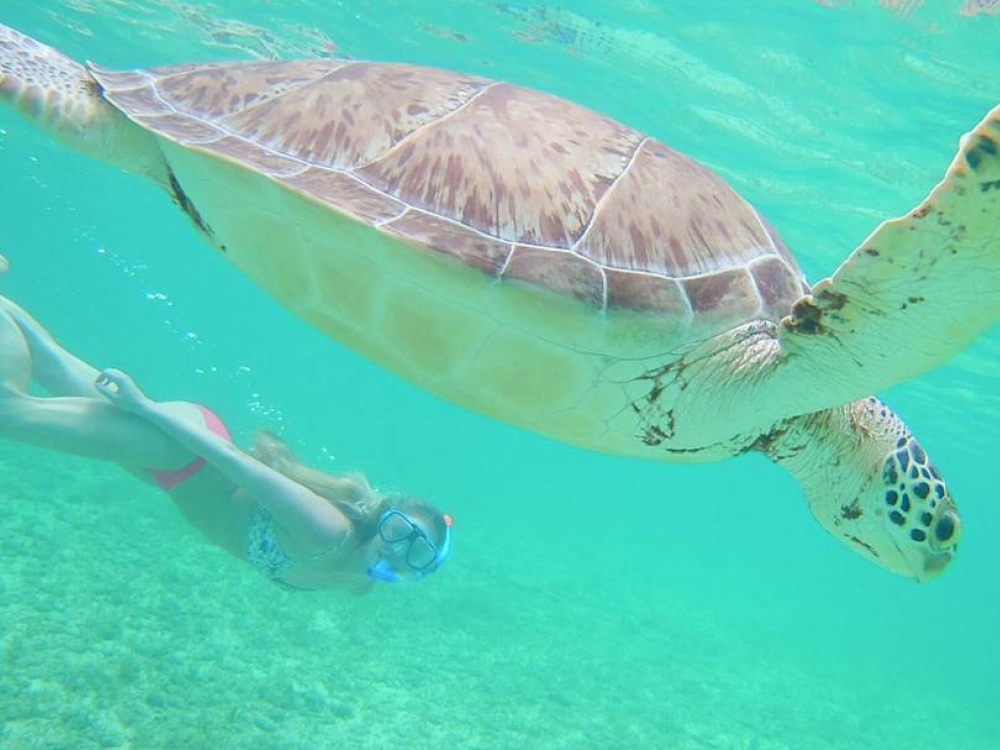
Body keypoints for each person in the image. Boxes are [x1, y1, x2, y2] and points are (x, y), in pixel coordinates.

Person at [0, 255, 452, 593]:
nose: (396, 548)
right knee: (11, 414)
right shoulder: (328, 533)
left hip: (171, 469)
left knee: (50, 359)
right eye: (398, 531)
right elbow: (241, 466)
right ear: (381, 520)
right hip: (183, 452)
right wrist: (146, 409)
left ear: (421, 569)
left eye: (415, 549)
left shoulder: (357, 583)